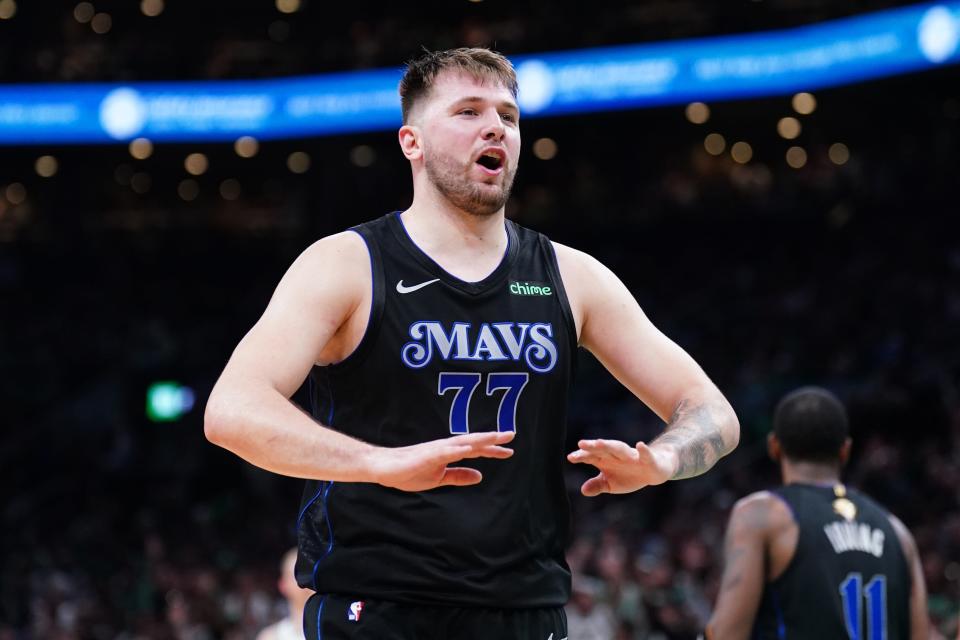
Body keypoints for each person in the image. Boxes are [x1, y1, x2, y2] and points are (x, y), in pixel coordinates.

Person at [205, 47, 739, 640]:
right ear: (411, 142)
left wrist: (661, 460)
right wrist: (378, 464)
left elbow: (713, 409)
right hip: (378, 607)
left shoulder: (571, 275)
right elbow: (232, 409)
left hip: (526, 611)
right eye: (468, 111)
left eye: (508, 117)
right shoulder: (348, 264)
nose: (495, 128)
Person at [706, 386, 931, 640]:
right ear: (845, 450)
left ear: (774, 447)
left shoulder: (762, 515)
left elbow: (727, 633)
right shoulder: (898, 532)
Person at [257, 548, 311, 640]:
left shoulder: (336, 630)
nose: (307, 581)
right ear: (283, 585)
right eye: (299, 575)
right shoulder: (270, 637)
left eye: (311, 573)